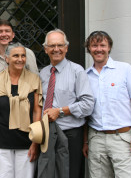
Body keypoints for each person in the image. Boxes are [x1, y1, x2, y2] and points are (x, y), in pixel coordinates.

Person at [83, 31, 131, 178]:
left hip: (122, 139)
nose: (99, 49)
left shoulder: (124, 69)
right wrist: (85, 141)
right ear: (89, 48)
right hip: (96, 139)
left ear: (109, 48)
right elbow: (85, 112)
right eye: (94, 45)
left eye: (103, 45)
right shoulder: (85, 76)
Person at [39, 29, 94, 178]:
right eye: (51, 46)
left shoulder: (77, 71)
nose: (56, 49)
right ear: (45, 49)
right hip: (47, 134)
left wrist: (60, 111)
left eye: (60, 45)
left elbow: (88, 104)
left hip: (70, 135)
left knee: (70, 174)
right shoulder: (43, 73)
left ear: (66, 48)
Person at [0, 42, 42, 178]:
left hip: (27, 143)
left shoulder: (34, 79)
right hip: (1, 143)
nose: (20, 59)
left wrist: (35, 143)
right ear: (7, 58)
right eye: (15, 55)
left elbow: (36, 112)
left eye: (23, 56)